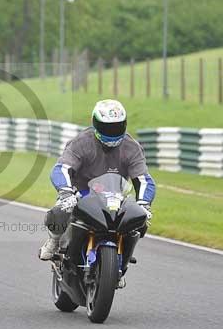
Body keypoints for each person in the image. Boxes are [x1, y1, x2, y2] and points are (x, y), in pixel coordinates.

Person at [38, 99, 156, 282]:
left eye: (116, 127)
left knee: (140, 221)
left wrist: (144, 204)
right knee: (59, 212)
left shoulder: (132, 148)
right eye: (106, 127)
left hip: (115, 195)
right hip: (81, 192)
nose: (112, 132)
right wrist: (65, 193)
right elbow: (61, 168)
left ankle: (120, 261)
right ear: (95, 123)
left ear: (124, 125)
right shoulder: (81, 142)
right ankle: (54, 241)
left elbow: (143, 179)